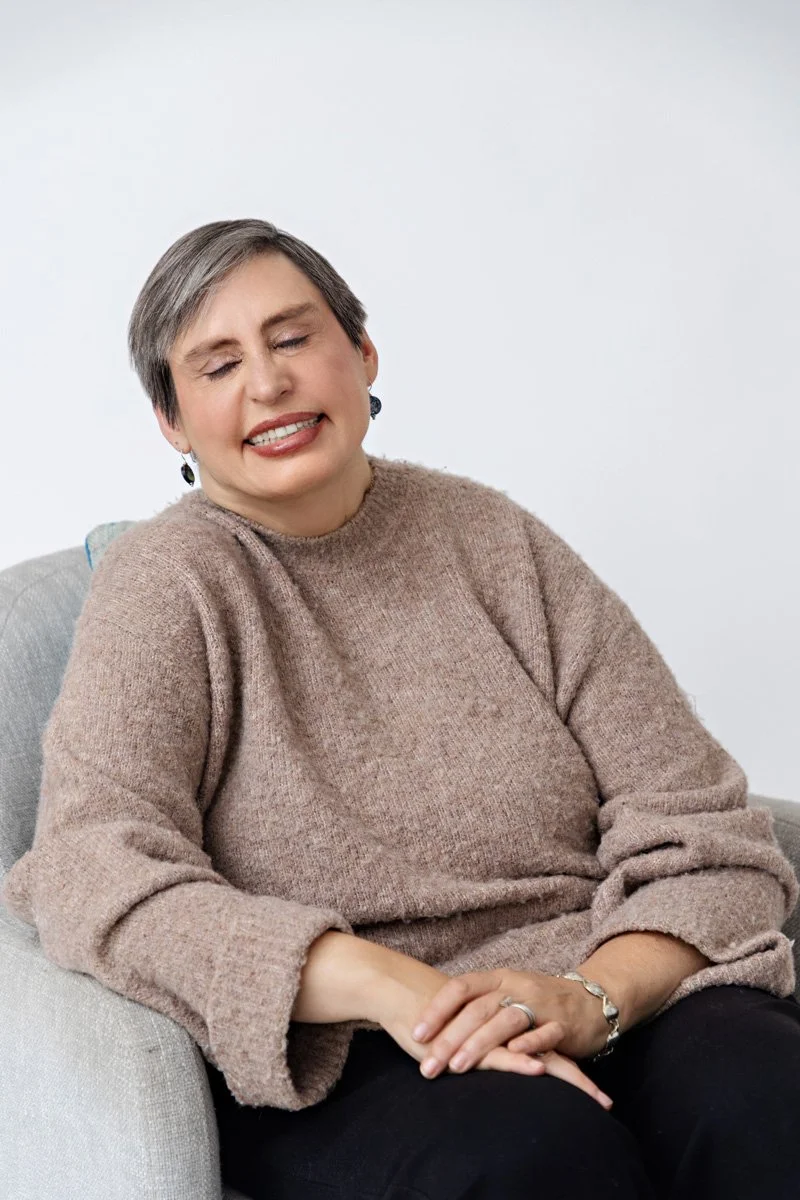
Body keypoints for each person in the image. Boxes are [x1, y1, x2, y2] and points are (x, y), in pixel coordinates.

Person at [3, 217, 800, 1200]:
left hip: (587, 982)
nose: (267, 383)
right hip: (346, 1052)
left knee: (765, 1096)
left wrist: (592, 998)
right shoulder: (165, 586)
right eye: (216, 365)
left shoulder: (492, 541)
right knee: (532, 1159)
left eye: (292, 338)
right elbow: (92, 869)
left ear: (360, 353)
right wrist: (397, 990)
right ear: (171, 421)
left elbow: (697, 825)